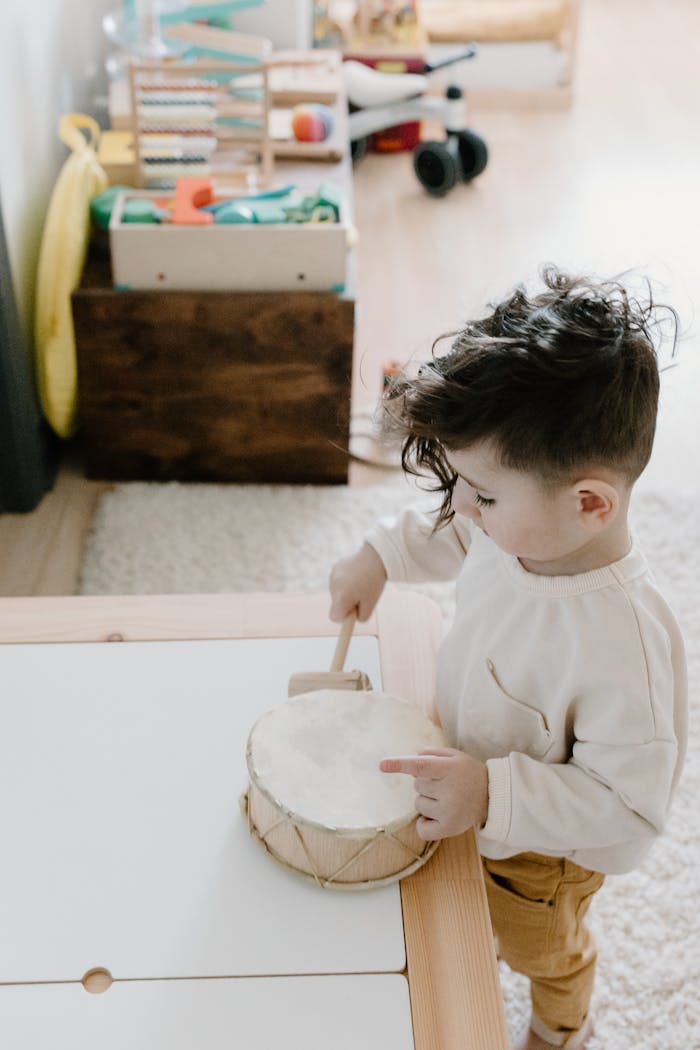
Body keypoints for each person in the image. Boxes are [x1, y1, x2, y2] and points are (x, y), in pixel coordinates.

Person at [329, 268, 687, 1050]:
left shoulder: (624, 647)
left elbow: (628, 815)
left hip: (537, 860)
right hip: (468, 784)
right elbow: (452, 531)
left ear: (591, 503)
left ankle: (567, 1023)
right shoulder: (513, 525)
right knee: (445, 916)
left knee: (541, 953)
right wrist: (383, 555)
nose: (464, 508)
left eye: (485, 495)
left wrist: (489, 795)